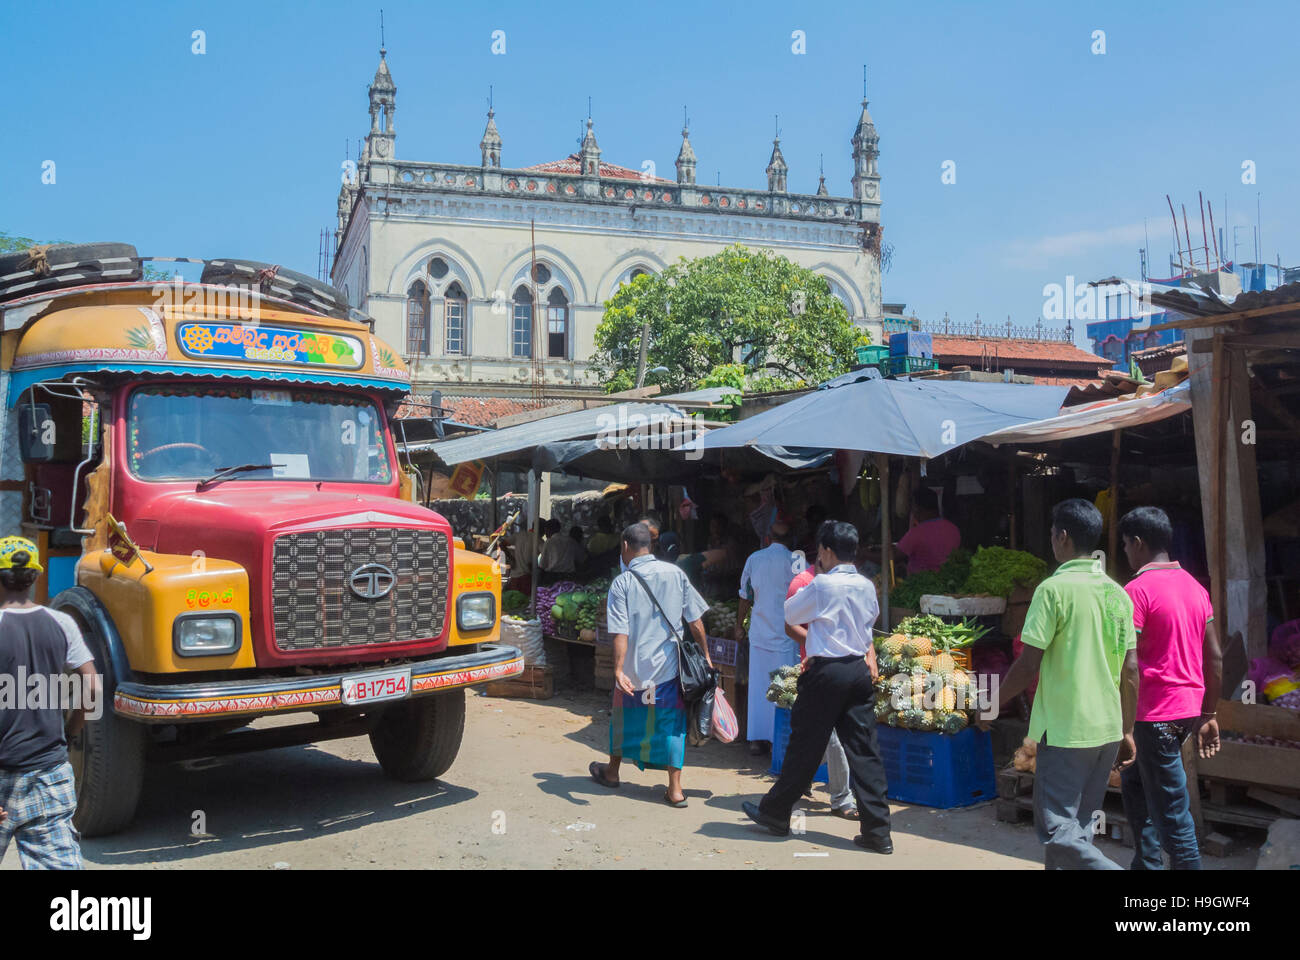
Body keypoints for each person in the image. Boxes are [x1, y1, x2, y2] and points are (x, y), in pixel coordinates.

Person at [995, 499, 1138, 870]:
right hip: (1106, 728)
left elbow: (1028, 665)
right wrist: (1126, 728)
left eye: (1052, 535)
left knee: (1057, 830)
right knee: (1079, 829)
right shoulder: (1118, 594)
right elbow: (1132, 671)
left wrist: (991, 703)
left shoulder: (1052, 591)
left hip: (1066, 730)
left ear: (1061, 537)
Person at [742, 522, 893, 854]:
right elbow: (870, 622)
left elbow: (792, 613)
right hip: (857, 670)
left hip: (825, 671)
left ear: (825, 551)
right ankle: (878, 832)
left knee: (805, 746)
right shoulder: (867, 586)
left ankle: (776, 813)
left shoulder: (822, 585)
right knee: (865, 751)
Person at [1117, 506, 1222, 871]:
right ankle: (1146, 865)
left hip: (1152, 715)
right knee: (1134, 785)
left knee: (1173, 814)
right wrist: (1209, 714)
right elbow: (1216, 658)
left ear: (1138, 543)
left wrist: (1125, 726)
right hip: (1187, 711)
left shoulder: (1135, 591)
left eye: (1126, 545)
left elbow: (1128, 663)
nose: (1126, 553)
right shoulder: (1196, 588)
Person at [589, 523, 712, 807]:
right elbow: (695, 621)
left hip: (633, 670)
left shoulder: (622, 583)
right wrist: (706, 655)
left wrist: (618, 670)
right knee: (671, 726)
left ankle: (612, 772)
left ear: (624, 547)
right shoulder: (676, 574)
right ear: (651, 546)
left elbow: (621, 632)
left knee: (624, 720)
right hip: (668, 670)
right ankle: (675, 789)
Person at [0, 537, 99, 869]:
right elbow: (92, 686)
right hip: (50, 772)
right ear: (35, 577)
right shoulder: (62, 622)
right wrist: (71, 731)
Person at [785, 533, 859, 820]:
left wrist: (870, 656)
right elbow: (790, 626)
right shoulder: (803, 583)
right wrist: (819, 646)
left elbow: (860, 626)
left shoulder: (850, 583)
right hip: (816, 669)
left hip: (847, 671)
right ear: (823, 553)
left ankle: (800, 783)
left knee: (819, 734)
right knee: (832, 737)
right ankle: (842, 798)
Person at [736, 521, 798, 755]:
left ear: (768, 537)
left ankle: (755, 739)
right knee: (783, 685)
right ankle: (777, 739)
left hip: (760, 633)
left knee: (760, 685)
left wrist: (738, 626)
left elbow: (744, 596)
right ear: (791, 539)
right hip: (786, 633)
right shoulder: (796, 560)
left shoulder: (754, 558)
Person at [894, 487, 961, 574]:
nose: (913, 511)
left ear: (918, 508)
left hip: (921, 584)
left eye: (913, 507)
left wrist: (869, 555)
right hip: (948, 580)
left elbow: (893, 557)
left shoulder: (917, 533)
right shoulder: (953, 529)